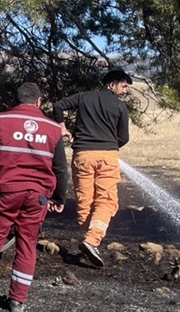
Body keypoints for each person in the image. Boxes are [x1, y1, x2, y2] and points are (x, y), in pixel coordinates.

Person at [0, 82, 68, 312]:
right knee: (27, 245)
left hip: (3, 193)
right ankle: (17, 302)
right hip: (37, 197)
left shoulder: (2, 120)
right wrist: (59, 197)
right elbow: (60, 168)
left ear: (18, 100)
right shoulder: (53, 128)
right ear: (39, 101)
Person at [51, 69, 132, 266]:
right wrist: (108, 144)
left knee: (85, 201)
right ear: (111, 84)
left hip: (82, 156)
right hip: (107, 157)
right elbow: (124, 138)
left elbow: (58, 105)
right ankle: (92, 240)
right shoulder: (120, 107)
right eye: (123, 84)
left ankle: (89, 242)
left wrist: (62, 127)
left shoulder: (84, 97)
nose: (126, 88)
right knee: (107, 201)